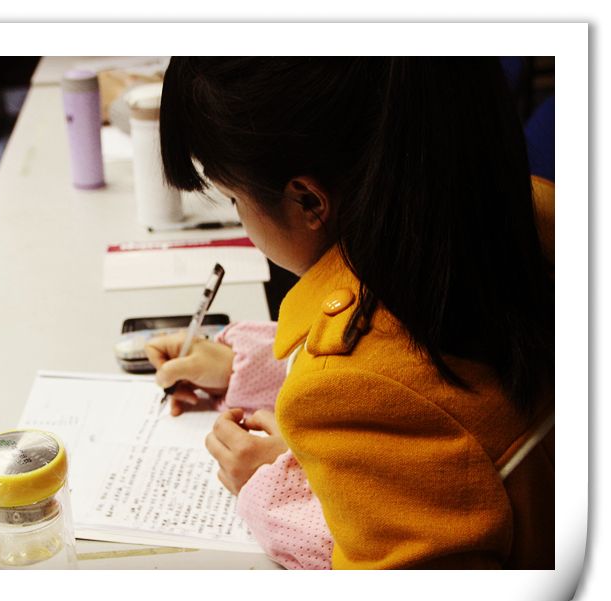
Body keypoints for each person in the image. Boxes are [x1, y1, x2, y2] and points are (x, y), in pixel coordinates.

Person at [145, 57, 555, 570]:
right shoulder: (528, 209)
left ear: (308, 200)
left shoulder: (349, 391)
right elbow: (432, 371)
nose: (238, 215)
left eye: (232, 198)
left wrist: (277, 490)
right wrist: (249, 367)